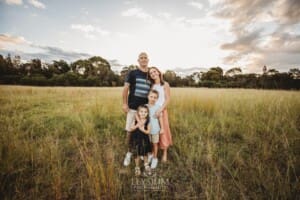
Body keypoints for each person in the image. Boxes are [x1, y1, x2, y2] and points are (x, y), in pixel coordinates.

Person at [122, 52, 151, 166]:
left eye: (145, 58)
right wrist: (124, 104)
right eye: (141, 58)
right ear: (138, 60)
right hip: (133, 107)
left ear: (148, 60)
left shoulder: (150, 74)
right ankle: (128, 153)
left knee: (144, 132)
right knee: (130, 131)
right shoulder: (132, 73)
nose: (143, 59)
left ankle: (144, 153)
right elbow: (125, 89)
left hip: (145, 109)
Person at [148, 66, 172, 162]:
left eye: (154, 71)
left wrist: (160, 110)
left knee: (163, 130)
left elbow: (168, 99)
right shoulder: (152, 86)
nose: (153, 74)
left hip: (162, 110)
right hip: (153, 111)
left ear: (158, 72)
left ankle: (165, 152)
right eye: (151, 73)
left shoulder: (165, 84)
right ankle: (154, 152)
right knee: (154, 130)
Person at [129, 105, 152, 176]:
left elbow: (148, 131)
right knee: (137, 153)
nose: (143, 113)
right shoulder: (135, 120)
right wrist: (137, 125)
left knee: (145, 153)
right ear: (138, 112)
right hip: (136, 139)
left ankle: (146, 165)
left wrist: (143, 130)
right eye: (141, 111)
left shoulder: (148, 121)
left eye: (145, 112)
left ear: (147, 113)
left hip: (144, 139)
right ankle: (137, 167)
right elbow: (131, 128)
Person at [147, 89, 164, 169]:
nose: (153, 99)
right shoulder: (145, 107)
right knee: (149, 143)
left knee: (155, 144)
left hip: (155, 129)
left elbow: (160, 119)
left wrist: (162, 128)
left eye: (155, 97)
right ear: (148, 96)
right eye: (151, 97)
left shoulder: (158, 107)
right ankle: (150, 155)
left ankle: (155, 158)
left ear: (157, 99)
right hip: (147, 130)